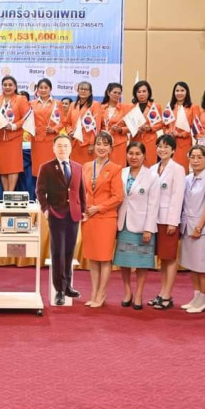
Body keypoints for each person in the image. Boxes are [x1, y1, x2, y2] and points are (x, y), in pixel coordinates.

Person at [36, 135, 86, 305]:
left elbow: (81, 191)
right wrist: (46, 209)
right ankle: (59, 290)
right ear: (53, 148)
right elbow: (40, 191)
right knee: (58, 252)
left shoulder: (78, 167)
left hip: (74, 215)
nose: (62, 149)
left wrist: (83, 210)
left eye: (65, 146)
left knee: (69, 251)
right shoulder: (46, 167)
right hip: (56, 215)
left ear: (70, 148)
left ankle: (68, 286)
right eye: (59, 146)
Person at [114, 141, 160, 309]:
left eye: (137, 154)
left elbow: (154, 205)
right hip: (123, 223)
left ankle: (139, 293)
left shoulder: (152, 176)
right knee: (124, 260)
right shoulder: (121, 173)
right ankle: (127, 292)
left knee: (142, 262)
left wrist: (148, 228)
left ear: (144, 156)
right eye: (131, 153)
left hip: (142, 226)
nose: (133, 157)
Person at [80, 131, 123, 308]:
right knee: (92, 258)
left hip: (105, 218)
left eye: (105, 144)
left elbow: (118, 197)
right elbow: (82, 191)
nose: (101, 147)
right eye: (99, 143)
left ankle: (102, 293)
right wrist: (83, 207)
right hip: (88, 218)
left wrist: (98, 208)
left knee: (104, 258)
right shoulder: (86, 166)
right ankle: (93, 292)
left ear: (111, 149)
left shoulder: (115, 168)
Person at [179, 145, 205, 313]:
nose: (195, 160)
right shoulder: (187, 178)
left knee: (202, 267)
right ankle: (196, 297)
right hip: (187, 226)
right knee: (192, 264)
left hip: (201, 228)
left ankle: (203, 299)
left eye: (199, 157)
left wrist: (199, 226)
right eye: (192, 157)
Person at [148, 134, 185, 309]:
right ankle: (162, 292)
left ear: (173, 150)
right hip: (154, 220)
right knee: (162, 258)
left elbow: (177, 197)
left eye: (166, 147)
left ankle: (167, 295)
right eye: (159, 146)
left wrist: (173, 222)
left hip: (168, 220)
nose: (162, 150)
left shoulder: (178, 169)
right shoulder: (152, 168)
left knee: (169, 258)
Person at [0, 75, 28, 191]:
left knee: (13, 166)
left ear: (15, 86)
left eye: (10, 85)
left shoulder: (21, 99)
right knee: (3, 167)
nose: (7, 87)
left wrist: (14, 126)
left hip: (14, 138)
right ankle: (5, 193)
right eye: (5, 85)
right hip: (0, 138)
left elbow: (27, 117)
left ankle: (10, 193)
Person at [30, 78, 63, 178]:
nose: (43, 90)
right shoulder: (31, 103)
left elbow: (63, 121)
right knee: (39, 169)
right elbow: (26, 120)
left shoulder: (57, 103)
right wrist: (31, 128)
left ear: (50, 89)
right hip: (37, 140)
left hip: (51, 139)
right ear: (37, 89)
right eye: (41, 87)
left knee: (51, 168)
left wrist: (54, 129)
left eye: (46, 87)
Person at [66, 81, 103, 165]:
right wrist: (70, 131)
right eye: (81, 89)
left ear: (90, 92)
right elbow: (67, 123)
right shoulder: (73, 105)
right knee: (75, 168)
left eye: (86, 89)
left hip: (87, 144)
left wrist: (92, 143)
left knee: (88, 168)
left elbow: (96, 127)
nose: (83, 91)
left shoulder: (95, 105)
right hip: (74, 143)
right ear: (78, 91)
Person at [128, 80, 164, 166]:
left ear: (149, 92)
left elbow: (160, 124)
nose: (141, 94)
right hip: (135, 140)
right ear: (135, 93)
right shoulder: (131, 107)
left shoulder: (155, 106)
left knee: (150, 165)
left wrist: (150, 128)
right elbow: (128, 125)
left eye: (144, 91)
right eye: (139, 92)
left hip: (150, 141)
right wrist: (135, 129)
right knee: (135, 164)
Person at [166, 82, 197, 173]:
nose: (179, 93)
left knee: (182, 170)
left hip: (184, 144)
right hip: (170, 144)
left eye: (182, 90)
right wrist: (169, 132)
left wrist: (180, 134)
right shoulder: (170, 107)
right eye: (177, 91)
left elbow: (195, 128)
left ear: (187, 92)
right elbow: (164, 125)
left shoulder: (193, 107)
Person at [101, 82, 131, 166]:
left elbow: (132, 127)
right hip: (104, 143)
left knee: (118, 167)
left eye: (119, 93)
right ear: (108, 92)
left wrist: (121, 129)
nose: (117, 95)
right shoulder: (101, 108)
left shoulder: (125, 108)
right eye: (114, 92)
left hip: (119, 143)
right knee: (103, 166)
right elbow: (97, 125)